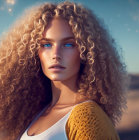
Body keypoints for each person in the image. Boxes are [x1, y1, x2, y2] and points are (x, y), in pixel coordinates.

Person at [0, 1, 128, 140]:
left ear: (86, 53)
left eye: (68, 44)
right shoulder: (39, 112)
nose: (56, 54)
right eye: (47, 44)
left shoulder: (87, 117)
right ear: (35, 53)